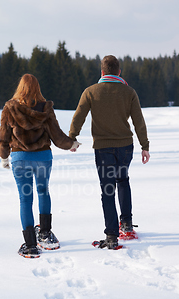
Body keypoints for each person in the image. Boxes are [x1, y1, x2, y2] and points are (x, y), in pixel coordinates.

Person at [69, 55, 150, 250]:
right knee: (123, 181)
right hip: (125, 147)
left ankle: (112, 235)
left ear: (102, 72)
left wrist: (72, 138)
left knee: (107, 189)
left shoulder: (91, 92)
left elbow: (79, 115)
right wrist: (144, 146)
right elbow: (139, 121)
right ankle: (127, 225)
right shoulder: (129, 92)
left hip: (103, 148)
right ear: (119, 72)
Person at [0, 74, 80, 258]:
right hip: (43, 157)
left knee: (25, 200)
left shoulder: (10, 107)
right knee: (43, 191)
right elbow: (56, 135)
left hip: (20, 158)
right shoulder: (45, 108)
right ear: (37, 88)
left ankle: (30, 245)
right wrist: (71, 144)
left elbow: (3, 136)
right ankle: (45, 235)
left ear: (20, 88)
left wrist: (4, 157)